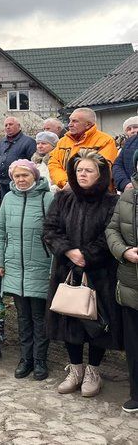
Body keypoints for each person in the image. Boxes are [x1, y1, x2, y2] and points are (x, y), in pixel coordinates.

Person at [44, 150, 121, 397]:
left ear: (100, 175)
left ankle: (93, 371)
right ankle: (75, 369)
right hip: (66, 271)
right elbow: (49, 229)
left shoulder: (111, 203)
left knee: (97, 323)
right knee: (70, 319)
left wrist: (86, 254)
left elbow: (111, 234)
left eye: (89, 170)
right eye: (79, 170)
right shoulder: (63, 199)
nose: (83, 174)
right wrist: (67, 251)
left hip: (99, 273)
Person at [0, 160, 54, 381]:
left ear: (34, 176)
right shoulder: (8, 198)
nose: (20, 180)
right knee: (22, 316)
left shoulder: (48, 198)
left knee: (39, 316)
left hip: (40, 265)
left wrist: (54, 266)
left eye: (25, 175)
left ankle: (39, 360)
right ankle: (25, 358)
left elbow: (56, 234)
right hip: (14, 266)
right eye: (17, 176)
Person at [106, 149, 138, 412]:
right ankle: (136, 393)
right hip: (130, 282)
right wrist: (124, 251)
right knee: (134, 343)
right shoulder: (128, 195)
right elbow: (113, 229)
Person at [48, 108, 118, 190]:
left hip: (96, 194)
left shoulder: (105, 141)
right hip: (67, 192)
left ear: (88, 124)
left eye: (75, 121)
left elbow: (102, 168)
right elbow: (53, 164)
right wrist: (65, 182)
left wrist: (74, 184)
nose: (69, 124)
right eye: (70, 121)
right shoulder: (63, 141)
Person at [0, 117, 36, 199]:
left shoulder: (29, 142)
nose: (8, 127)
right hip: (3, 184)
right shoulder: (0, 143)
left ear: (18, 126)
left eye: (10, 124)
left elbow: (34, 164)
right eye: (6, 125)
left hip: (20, 183)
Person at [113, 116, 138, 193]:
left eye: (135, 127)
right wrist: (124, 183)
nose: (132, 131)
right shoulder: (127, 145)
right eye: (129, 129)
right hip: (130, 192)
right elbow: (117, 165)